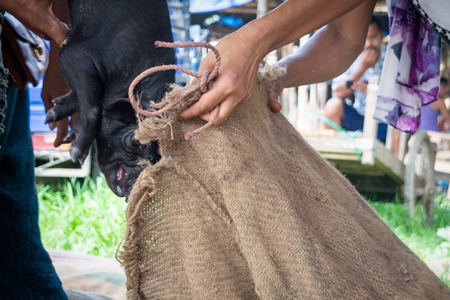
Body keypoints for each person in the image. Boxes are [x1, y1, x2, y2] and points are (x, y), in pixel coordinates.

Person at [321, 16, 387, 142]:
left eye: (373, 37)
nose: (368, 44)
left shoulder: (392, 59)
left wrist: (374, 96)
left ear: (381, 36)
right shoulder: (353, 56)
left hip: (384, 123)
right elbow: (338, 92)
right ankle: (335, 157)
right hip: (358, 118)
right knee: (332, 105)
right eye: (364, 39)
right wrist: (363, 68)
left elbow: (400, 102)